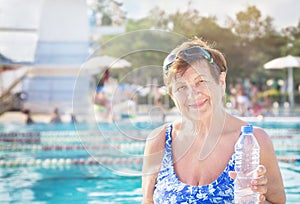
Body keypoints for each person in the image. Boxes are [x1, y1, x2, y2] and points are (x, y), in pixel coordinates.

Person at [142, 37, 286, 203]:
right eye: (181, 87)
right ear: (172, 95)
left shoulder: (254, 141)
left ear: (221, 81)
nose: (192, 94)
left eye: (201, 81)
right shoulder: (159, 141)